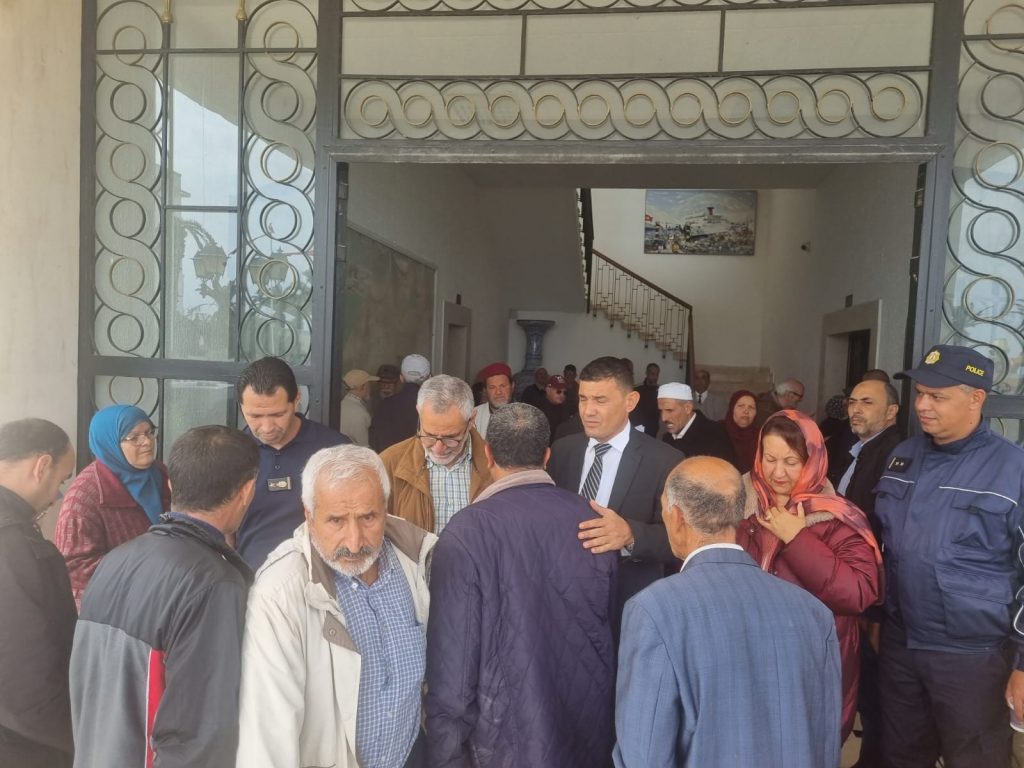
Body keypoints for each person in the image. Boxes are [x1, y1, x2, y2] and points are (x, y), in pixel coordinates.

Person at [613, 457, 842, 768]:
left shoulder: (653, 610)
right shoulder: (814, 613)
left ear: (676, 516)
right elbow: (826, 742)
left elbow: (644, 754)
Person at [426, 404, 617, 768]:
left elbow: (452, 668)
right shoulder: (596, 523)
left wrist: (444, 757)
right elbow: (605, 630)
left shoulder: (466, 532)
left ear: (488, 454)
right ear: (547, 455)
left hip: (502, 743)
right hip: (586, 734)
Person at [70, 426, 259, 768]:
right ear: (247, 491)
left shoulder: (116, 559)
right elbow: (201, 732)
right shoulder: (214, 582)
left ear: (170, 484)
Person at [237, 445, 435, 768]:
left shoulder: (416, 561)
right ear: (309, 515)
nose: (354, 542)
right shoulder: (281, 593)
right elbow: (268, 730)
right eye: (336, 521)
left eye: (368, 517)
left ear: (385, 509)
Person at [874, 345, 1024, 768]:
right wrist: (876, 620)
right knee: (900, 755)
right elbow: (884, 548)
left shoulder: (1012, 469)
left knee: (975, 759)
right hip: (902, 644)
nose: (922, 405)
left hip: (971, 658)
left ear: (976, 398)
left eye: (937, 396)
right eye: (920, 393)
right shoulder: (903, 456)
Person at [735, 409, 881, 742]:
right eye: (770, 459)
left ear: (813, 460)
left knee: (806, 743)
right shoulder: (736, 504)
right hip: (747, 654)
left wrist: (798, 539)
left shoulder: (837, 516)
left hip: (812, 660)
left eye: (791, 461)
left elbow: (859, 592)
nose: (778, 472)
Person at [547, 356, 682, 629]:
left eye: (600, 400)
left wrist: (631, 535)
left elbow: (680, 540)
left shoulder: (665, 461)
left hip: (626, 605)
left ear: (630, 402)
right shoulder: (562, 450)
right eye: (583, 399)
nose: (588, 411)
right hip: (561, 599)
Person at [0, 419, 77, 768]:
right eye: (60, 480)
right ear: (42, 466)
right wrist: (75, 738)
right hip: (24, 743)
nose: (57, 495)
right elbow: (25, 671)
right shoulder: (14, 548)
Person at [836, 380, 901, 768]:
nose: (855, 409)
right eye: (852, 402)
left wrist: (874, 605)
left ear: (891, 412)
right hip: (852, 587)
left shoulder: (893, 455)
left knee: (876, 690)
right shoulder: (858, 451)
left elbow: (883, 535)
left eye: (867, 403)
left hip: (872, 594)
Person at [234, 356, 350, 570]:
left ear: (296, 400)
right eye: (255, 416)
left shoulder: (335, 450)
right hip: (251, 579)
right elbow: (220, 531)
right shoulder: (230, 453)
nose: (267, 427)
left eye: (277, 414)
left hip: (320, 578)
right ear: (241, 407)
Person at [55, 405, 170, 608]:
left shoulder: (161, 474)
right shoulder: (84, 496)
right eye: (134, 437)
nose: (147, 441)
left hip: (162, 592)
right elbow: (75, 567)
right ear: (109, 442)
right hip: (114, 605)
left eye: (149, 432)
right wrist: (143, 569)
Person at [380, 375, 491, 534]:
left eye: (450, 438)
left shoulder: (497, 464)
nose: (439, 449)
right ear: (419, 413)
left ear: (471, 420)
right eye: (429, 436)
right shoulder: (388, 463)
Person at [658, 382, 737, 464]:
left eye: (669, 410)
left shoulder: (715, 435)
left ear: (688, 408)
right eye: (660, 411)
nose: (663, 418)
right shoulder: (666, 438)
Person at [371, 353, 430, 452]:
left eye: (390, 383)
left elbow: (374, 440)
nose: (386, 386)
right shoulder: (434, 408)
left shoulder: (384, 406)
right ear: (429, 378)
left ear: (401, 378)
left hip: (388, 460)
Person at [721, 389, 759, 473]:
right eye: (741, 406)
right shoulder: (717, 431)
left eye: (751, 407)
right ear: (732, 408)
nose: (746, 411)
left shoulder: (760, 436)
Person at [472, 362, 513, 439]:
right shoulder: (474, 416)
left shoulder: (524, 417)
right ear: (485, 390)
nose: (498, 392)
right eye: (492, 387)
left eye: (502, 386)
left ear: (512, 386)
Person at [339, 368, 379, 447]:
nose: (370, 388)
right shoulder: (359, 413)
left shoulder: (342, 404)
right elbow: (364, 446)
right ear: (362, 387)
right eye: (369, 385)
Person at [538, 373, 572, 439]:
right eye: (558, 391)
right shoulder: (539, 409)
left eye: (565, 392)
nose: (562, 395)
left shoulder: (565, 407)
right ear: (548, 390)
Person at [630, 362, 661, 435]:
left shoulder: (660, 391)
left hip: (653, 428)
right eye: (652, 374)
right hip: (637, 427)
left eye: (657, 374)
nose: (655, 377)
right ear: (647, 373)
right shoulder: (637, 389)